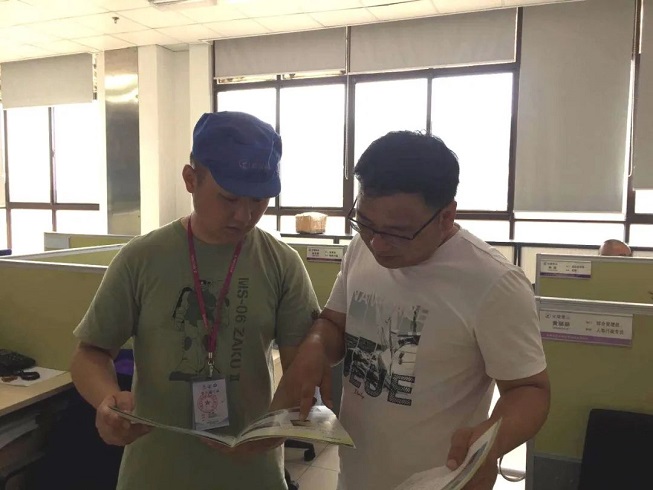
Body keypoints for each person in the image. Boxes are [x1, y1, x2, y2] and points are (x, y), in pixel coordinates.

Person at [273, 131, 551, 490]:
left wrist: (492, 443)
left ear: (446, 216)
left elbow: (530, 390)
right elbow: (335, 324)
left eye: (398, 232)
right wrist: (315, 345)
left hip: (438, 481)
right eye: (365, 223)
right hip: (355, 474)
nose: (378, 244)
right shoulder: (361, 249)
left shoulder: (494, 282)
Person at [70, 111, 320, 490]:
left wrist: (274, 431)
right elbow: (90, 353)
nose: (244, 215)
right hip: (155, 471)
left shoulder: (282, 263)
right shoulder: (142, 258)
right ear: (191, 179)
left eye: (259, 200)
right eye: (229, 198)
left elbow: (302, 370)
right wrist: (107, 402)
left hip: (250, 473)